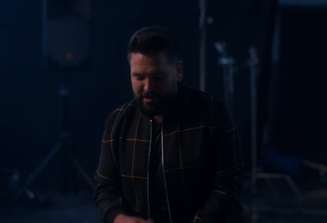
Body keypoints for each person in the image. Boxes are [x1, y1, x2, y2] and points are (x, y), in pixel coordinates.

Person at [94, 26, 244, 223]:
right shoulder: (118, 121)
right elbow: (105, 189)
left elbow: (227, 186)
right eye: (139, 77)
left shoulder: (212, 114)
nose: (148, 87)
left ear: (178, 70)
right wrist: (119, 218)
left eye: (158, 77)